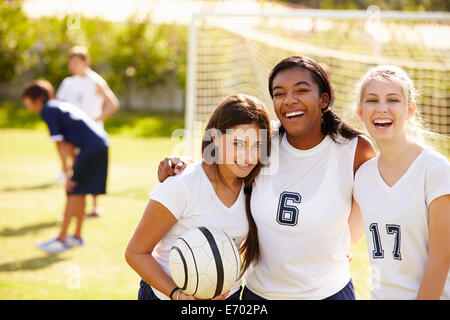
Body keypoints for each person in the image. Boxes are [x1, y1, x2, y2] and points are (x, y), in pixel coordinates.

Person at [158, 56, 376, 300]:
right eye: (279, 93)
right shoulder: (264, 140)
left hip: (328, 293)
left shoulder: (354, 149)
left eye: (301, 90)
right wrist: (182, 165)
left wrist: (342, 243)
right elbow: (225, 157)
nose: (289, 100)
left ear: (324, 98)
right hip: (260, 294)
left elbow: (371, 203)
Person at [125, 94, 272, 300]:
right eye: (237, 143)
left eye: (256, 145)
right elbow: (136, 253)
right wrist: (177, 294)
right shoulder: (182, 185)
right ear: (215, 138)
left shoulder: (256, 185)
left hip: (228, 296)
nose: (247, 156)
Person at [353, 65, 450, 300]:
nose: (382, 108)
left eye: (393, 100)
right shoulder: (363, 175)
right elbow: (345, 236)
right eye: (372, 100)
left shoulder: (435, 170)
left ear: (410, 110)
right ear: (360, 112)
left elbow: (441, 260)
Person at [22, 79, 109, 253]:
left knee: (72, 189)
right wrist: (72, 167)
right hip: (99, 144)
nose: (25, 102)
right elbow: (69, 141)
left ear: (37, 99)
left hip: (91, 148)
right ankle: (76, 237)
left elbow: (60, 143)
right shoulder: (55, 106)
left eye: (26, 99)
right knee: (80, 190)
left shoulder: (47, 110)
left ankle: (61, 240)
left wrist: (67, 172)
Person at [55, 46, 120, 218]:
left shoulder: (95, 81)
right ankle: (73, 207)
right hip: (72, 136)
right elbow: (59, 107)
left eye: (77, 62)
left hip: (93, 136)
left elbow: (113, 104)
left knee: (92, 169)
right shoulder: (67, 83)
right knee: (73, 169)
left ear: (86, 62)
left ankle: (95, 206)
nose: (73, 66)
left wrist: (94, 120)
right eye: (71, 62)